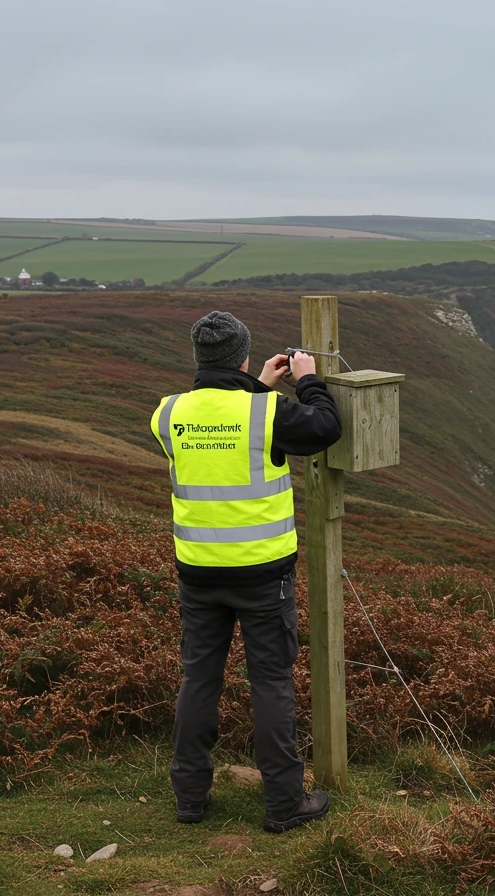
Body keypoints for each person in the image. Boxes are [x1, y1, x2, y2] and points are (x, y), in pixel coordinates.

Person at [149, 310, 342, 834]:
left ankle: (189, 798)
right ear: (244, 355)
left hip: (198, 573)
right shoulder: (269, 413)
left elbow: (219, 434)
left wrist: (256, 388)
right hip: (262, 575)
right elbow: (324, 427)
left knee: (199, 680)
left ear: (197, 356)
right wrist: (308, 381)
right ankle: (283, 804)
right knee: (271, 684)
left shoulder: (167, 414)